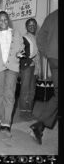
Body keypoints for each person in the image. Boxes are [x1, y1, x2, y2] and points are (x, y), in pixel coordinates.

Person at [0, 11, 24, 137]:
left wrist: (19, 53)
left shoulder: (16, 34)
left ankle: (6, 123)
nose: (3, 22)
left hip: (12, 67)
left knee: (10, 95)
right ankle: (1, 118)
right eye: (0, 20)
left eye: (5, 20)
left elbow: (21, 48)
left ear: (8, 20)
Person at [29, 9, 58, 145]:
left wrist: (49, 54)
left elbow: (40, 39)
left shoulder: (51, 16)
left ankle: (39, 125)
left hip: (54, 59)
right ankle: (39, 125)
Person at [18, 18, 41, 121]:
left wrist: (38, 67)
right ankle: (23, 111)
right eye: (30, 25)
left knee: (32, 90)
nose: (32, 26)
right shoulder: (24, 38)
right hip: (27, 67)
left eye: (34, 25)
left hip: (35, 67)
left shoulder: (36, 38)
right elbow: (19, 53)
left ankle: (29, 111)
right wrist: (28, 60)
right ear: (26, 27)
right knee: (25, 90)